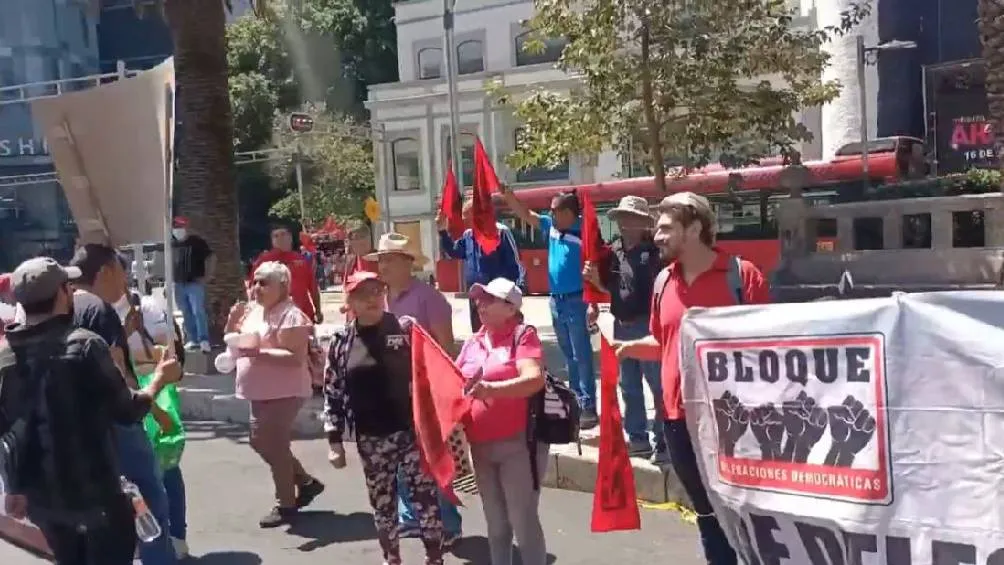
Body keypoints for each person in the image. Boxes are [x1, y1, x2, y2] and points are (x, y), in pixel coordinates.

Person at [614, 192, 770, 565]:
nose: (657, 237)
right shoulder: (662, 282)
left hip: (735, 421)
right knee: (706, 513)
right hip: (678, 420)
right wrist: (629, 347)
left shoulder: (742, 276)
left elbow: (770, 349)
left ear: (695, 228)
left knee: (747, 512)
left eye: (666, 229)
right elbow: (665, 341)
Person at [0, 256, 182, 565]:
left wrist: (14, 485)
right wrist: (160, 380)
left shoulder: (6, 357)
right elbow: (128, 410)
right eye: (68, 287)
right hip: (97, 497)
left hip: (45, 502)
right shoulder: (84, 346)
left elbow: (7, 432)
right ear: (62, 293)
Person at [322, 271, 445, 565]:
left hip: (412, 434)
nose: (372, 299)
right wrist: (334, 441)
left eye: (377, 291)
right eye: (363, 294)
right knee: (383, 504)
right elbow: (332, 391)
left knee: (426, 501)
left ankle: (434, 558)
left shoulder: (405, 329)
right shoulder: (341, 340)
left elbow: (434, 371)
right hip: (371, 438)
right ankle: (391, 559)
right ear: (350, 301)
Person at [70, 243, 179, 565]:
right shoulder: (99, 310)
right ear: (105, 271)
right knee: (148, 499)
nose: (126, 280)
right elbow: (118, 378)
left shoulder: (61, 306)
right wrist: (158, 391)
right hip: (119, 423)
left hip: (79, 427)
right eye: (121, 271)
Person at [367, 232, 465, 546]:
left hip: (423, 391)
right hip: (390, 391)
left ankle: (447, 523)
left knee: (432, 456)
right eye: (381, 260)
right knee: (398, 457)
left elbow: (445, 348)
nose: (382, 266)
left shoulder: (429, 298)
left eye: (389, 260)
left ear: (407, 263)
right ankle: (412, 517)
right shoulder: (379, 299)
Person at [455, 277, 549, 565]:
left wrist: (492, 390)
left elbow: (534, 379)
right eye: (479, 299)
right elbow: (453, 383)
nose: (480, 304)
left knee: (523, 521)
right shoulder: (472, 342)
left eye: (488, 299)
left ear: (511, 308)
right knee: (496, 526)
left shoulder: (523, 336)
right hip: (480, 446)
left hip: (518, 444)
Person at [225, 261, 325, 528]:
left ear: (283, 286)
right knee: (260, 441)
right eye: (254, 282)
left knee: (275, 445)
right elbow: (234, 342)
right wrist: (232, 324)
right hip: (258, 390)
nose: (256, 287)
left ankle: (286, 504)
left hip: (285, 391)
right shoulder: (253, 311)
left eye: (264, 283)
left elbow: (294, 357)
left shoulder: (291, 316)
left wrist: (259, 353)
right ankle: (305, 482)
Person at [497, 186, 598, 428]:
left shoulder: (585, 232)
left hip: (577, 301)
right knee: (569, 355)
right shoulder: (551, 227)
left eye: (555, 210)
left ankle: (588, 407)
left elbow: (594, 269)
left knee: (582, 355)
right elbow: (526, 215)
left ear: (569, 213)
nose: (550, 214)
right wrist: (509, 196)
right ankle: (575, 401)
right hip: (556, 301)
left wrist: (593, 302)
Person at [583, 196, 669, 464]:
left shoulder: (656, 254)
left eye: (630, 218)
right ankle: (638, 438)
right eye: (621, 218)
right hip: (620, 326)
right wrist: (595, 284)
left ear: (644, 223)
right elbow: (613, 290)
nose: (624, 223)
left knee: (658, 387)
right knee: (629, 386)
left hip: (648, 325)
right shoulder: (614, 251)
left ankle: (664, 441)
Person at [114, 290, 190, 559]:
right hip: (123, 397)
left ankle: (176, 536)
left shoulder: (145, 306)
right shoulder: (92, 308)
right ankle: (146, 539)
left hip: (149, 390)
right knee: (134, 476)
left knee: (166, 466)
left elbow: (167, 353)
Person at [437, 199, 525, 332]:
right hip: (476, 296)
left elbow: (515, 263)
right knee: (480, 335)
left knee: (503, 333)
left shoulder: (500, 232)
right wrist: (442, 231)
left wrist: (515, 291)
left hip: (498, 297)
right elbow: (454, 252)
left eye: (467, 218)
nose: (464, 222)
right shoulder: (468, 235)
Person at [249, 225, 323, 325]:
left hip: (303, 315)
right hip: (275, 319)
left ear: (290, 237)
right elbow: (253, 290)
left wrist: (318, 310)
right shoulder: (263, 261)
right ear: (272, 241)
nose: (280, 238)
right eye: (275, 236)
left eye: (283, 234)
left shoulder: (301, 259)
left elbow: (313, 288)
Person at [171, 217, 215, 352]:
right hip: (179, 283)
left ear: (187, 227)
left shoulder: (197, 242)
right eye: (176, 227)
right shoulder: (173, 243)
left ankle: (203, 340)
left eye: (181, 226)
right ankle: (193, 339)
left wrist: (207, 276)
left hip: (194, 283)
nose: (178, 229)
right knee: (185, 312)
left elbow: (211, 257)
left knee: (198, 311)